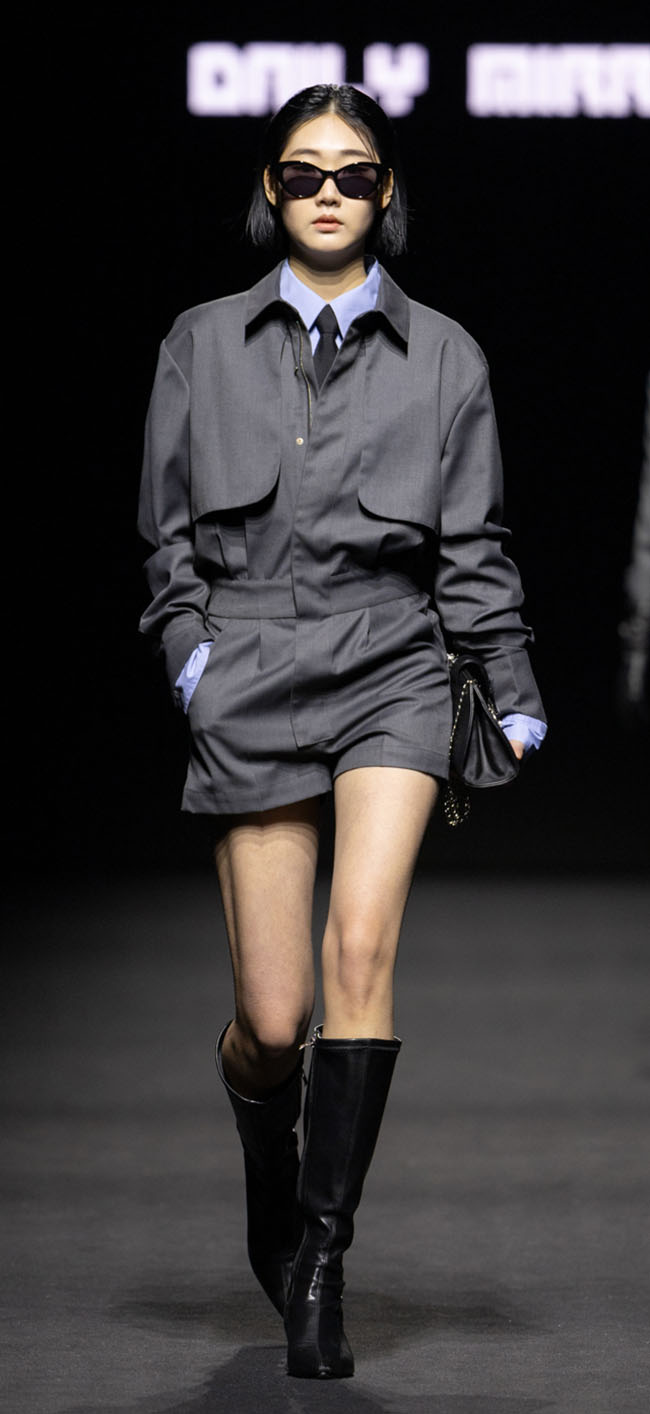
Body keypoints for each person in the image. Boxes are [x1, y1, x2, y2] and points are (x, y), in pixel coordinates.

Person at [137, 84, 547, 1380]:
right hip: (251, 663)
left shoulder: (446, 356)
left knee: (361, 946)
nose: (328, 192)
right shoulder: (201, 343)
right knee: (273, 1019)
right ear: (271, 189)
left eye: (354, 173)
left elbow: (473, 542)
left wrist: (509, 678)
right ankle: (275, 1174)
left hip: (391, 662)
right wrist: (192, 660)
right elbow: (165, 540)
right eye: (304, 172)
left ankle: (320, 1261)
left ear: (386, 191)